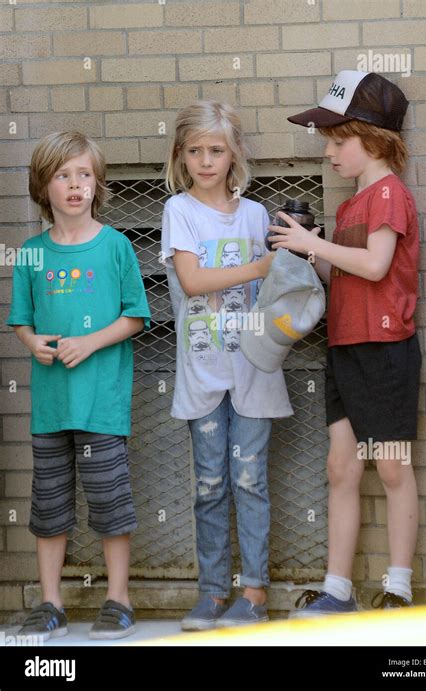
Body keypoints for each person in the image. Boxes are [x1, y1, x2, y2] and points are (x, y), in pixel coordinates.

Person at [269, 71, 421, 614]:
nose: (329, 151)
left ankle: (398, 588)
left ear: (375, 139)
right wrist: (307, 253)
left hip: (385, 349)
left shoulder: (389, 196)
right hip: (345, 347)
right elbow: (350, 276)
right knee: (342, 466)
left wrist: (316, 244)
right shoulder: (352, 204)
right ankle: (338, 589)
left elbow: (377, 267)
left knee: (393, 466)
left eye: (339, 140)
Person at [7, 131, 151, 639]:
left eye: (84, 174)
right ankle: (50, 603)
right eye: (63, 175)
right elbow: (21, 320)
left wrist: (88, 342)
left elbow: (136, 316)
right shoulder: (30, 253)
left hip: (101, 405)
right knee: (48, 505)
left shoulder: (116, 246)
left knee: (110, 500)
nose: (74, 185)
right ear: (42, 187)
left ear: (98, 183)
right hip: (51, 407)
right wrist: (31, 342)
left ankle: (118, 598)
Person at [162, 101, 293, 630]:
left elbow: (275, 291)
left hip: (254, 373)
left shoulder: (256, 215)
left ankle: (255, 594)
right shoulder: (180, 211)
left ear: (233, 153)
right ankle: (213, 592)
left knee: (249, 480)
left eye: (216, 150)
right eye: (195, 151)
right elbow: (192, 282)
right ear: (181, 156)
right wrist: (259, 265)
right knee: (210, 483)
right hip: (203, 371)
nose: (206, 160)